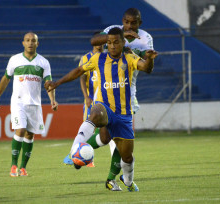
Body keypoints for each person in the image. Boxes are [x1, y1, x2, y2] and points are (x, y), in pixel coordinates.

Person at [45, 27, 157, 192]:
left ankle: (128, 180)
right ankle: (75, 149)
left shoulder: (129, 58)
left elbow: (146, 68)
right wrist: (57, 83)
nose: (112, 46)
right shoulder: (98, 58)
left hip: (124, 114)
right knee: (95, 113)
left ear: (123, 42)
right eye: (109, 42)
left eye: (116, 42)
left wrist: (149, 59)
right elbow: (78, 71)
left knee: (127, 156)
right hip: (105, 107)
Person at [89, 8, 154, 190]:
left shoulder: (145, 39)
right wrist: (120, 35)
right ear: (122, 21)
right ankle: (77, 151)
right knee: (103, 137)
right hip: (107, 91)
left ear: (139, 23)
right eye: (126, 22)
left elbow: (144, 65)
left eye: (133, 23)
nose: (130, 25)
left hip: (128, 93)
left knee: (119, 137)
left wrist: (145, 57)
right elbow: (94, 40)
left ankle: (112, 178)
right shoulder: (114, 29)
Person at [0, 32, 58, 177]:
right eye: (27, 40)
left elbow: (48, 84)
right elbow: (6, 78)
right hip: (18, 102)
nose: (30, 43)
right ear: (23, 43)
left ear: (37, 44)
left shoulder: (43, 62)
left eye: (33, 41)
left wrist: (52, 100)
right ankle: (13, 165)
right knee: (20, 129)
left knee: (30, 134)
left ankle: (23, 167)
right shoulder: (15, 60)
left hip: (34, 104)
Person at [63, 33, 104, 167]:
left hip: (105, 99)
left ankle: (87, 156)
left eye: (102, 42)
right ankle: (76, 154)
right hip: (91, 99)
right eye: (97, 42)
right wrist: (86, 96)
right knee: (89, 128)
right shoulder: (86, 58)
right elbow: (82, 77)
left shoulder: (108, 57)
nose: (99, 45)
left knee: (100, 129)